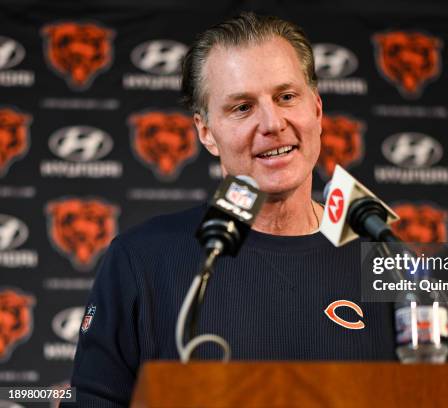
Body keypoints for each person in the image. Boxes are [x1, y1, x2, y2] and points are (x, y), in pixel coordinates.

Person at [65, 12, 395, 407]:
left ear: (317, 110)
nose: (273, 123)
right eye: (242, 107)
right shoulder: (141, 259)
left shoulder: (387, 260)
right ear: (206, 132)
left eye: (286, 97)